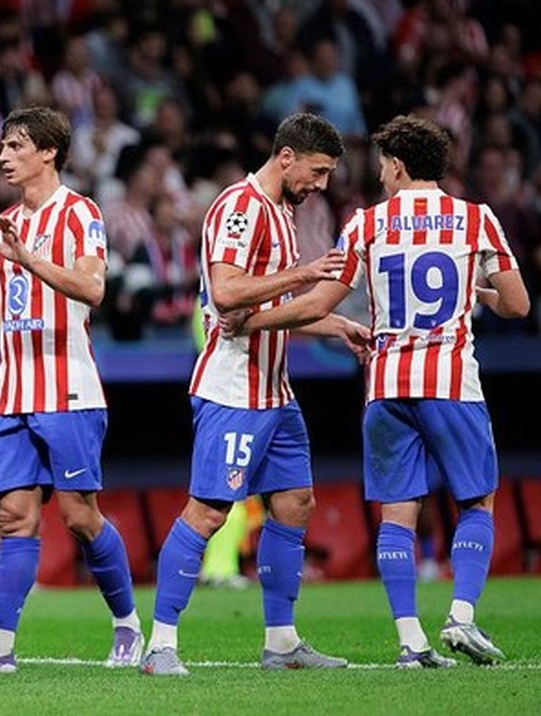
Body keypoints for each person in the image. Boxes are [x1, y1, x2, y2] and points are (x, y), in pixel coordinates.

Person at [226, 115, 529, 667]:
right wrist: (479, 292)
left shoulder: (366, 223)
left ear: (397, 165)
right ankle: (460, 617)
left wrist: (250, 322)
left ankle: (411, 641)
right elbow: (519, 305)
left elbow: (319, 305)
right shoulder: (475, 219)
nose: (379, 174)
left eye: (383, 165)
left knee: (398, 512)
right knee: (477, 500)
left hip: (387, 384)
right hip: (451, 379)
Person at [140, 112, 366, 676]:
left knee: (295, 503)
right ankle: (160, 645)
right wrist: (306, 275)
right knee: (209, 511)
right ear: (286, 157)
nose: (321, 185)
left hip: (274, 389)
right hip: (233, 389)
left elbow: (264, 312)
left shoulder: (281, 214)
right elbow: (227, 293)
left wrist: (330, 324)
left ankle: (283, 643)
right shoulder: (241, 207)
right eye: (317, 171)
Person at [0, 107, 144, 673]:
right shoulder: (5, 222)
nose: (3, 156)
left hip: (69, 391)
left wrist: (28, 257)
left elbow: (92, 287)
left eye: (16, 146)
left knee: (79, 516)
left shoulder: (80, 213)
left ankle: (127, 625)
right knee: (13, 518)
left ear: (48, 152)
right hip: (12, 393)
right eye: (2, 147)